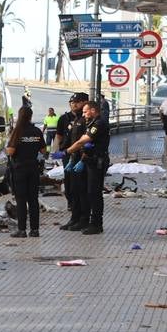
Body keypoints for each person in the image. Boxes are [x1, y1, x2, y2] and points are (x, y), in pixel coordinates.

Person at [58, 99, 110, 234]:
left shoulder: (98, 123)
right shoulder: (91, 123)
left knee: (94, 193)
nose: (84, 114)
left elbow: (83, 141)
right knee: (88, 192)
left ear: (93, 110)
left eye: (86, 111)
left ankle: (97, 224)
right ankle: (89, 221)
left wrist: (66, 152)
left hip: (97, 161)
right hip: (90, 160)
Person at [5, 105, 45, 238]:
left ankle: (21, 230)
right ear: (31, 116)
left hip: (19, 169)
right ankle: (35, 230)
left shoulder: (17, 132)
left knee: (21, 200)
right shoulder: (37, 131)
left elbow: (10, 151)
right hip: (33, 168)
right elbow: (44, 151)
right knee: (33, 200)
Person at [54, 93, 88, 230]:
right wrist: (57, 154)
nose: (74, 104)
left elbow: (86, 142)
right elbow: (60, 137)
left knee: (82, 190)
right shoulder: (65, 118)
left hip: (81, 157)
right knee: (70, 188)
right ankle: (74, 217)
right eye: (72, 102)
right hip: (69, 156)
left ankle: (83, 219)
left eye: (77, 102)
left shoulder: (87, 119)